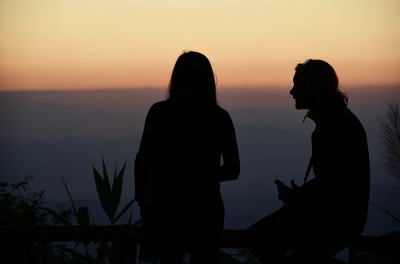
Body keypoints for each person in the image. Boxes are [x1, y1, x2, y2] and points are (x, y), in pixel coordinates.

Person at [247, 59, 370, 263]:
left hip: (334, 220)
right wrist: (299, 196)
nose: (292, 91)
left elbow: (332, 185)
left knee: (256, 238)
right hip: (342, 218)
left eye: (298, 85)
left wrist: (297, 197)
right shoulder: (338, 121)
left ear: (316, 88)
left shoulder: (333, 127)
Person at [134, 51, 240, 263]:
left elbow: (142, 162)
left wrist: (145, 203)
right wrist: (202, 176)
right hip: (206, 209)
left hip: (165, 208)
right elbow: (232, 170)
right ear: (208, 80)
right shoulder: (219, 117)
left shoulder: (159, 113)